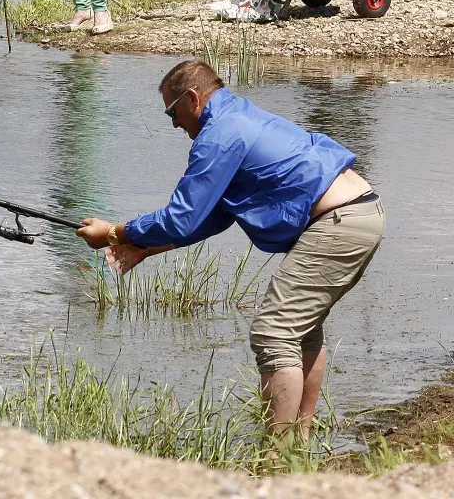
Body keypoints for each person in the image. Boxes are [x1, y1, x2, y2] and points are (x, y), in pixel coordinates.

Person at [75, 60, 383, 440]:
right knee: (300, 330)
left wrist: (114, 232)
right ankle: (299, 445)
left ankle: (279, 456)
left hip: (339, 222)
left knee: (274, 333)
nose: (174, 123)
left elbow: (181, 217)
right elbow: (214, 217)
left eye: (173, 111)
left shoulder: (219, 134)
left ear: (192, 98)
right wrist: (140, 248)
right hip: (360, 213)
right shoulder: (238, 118)